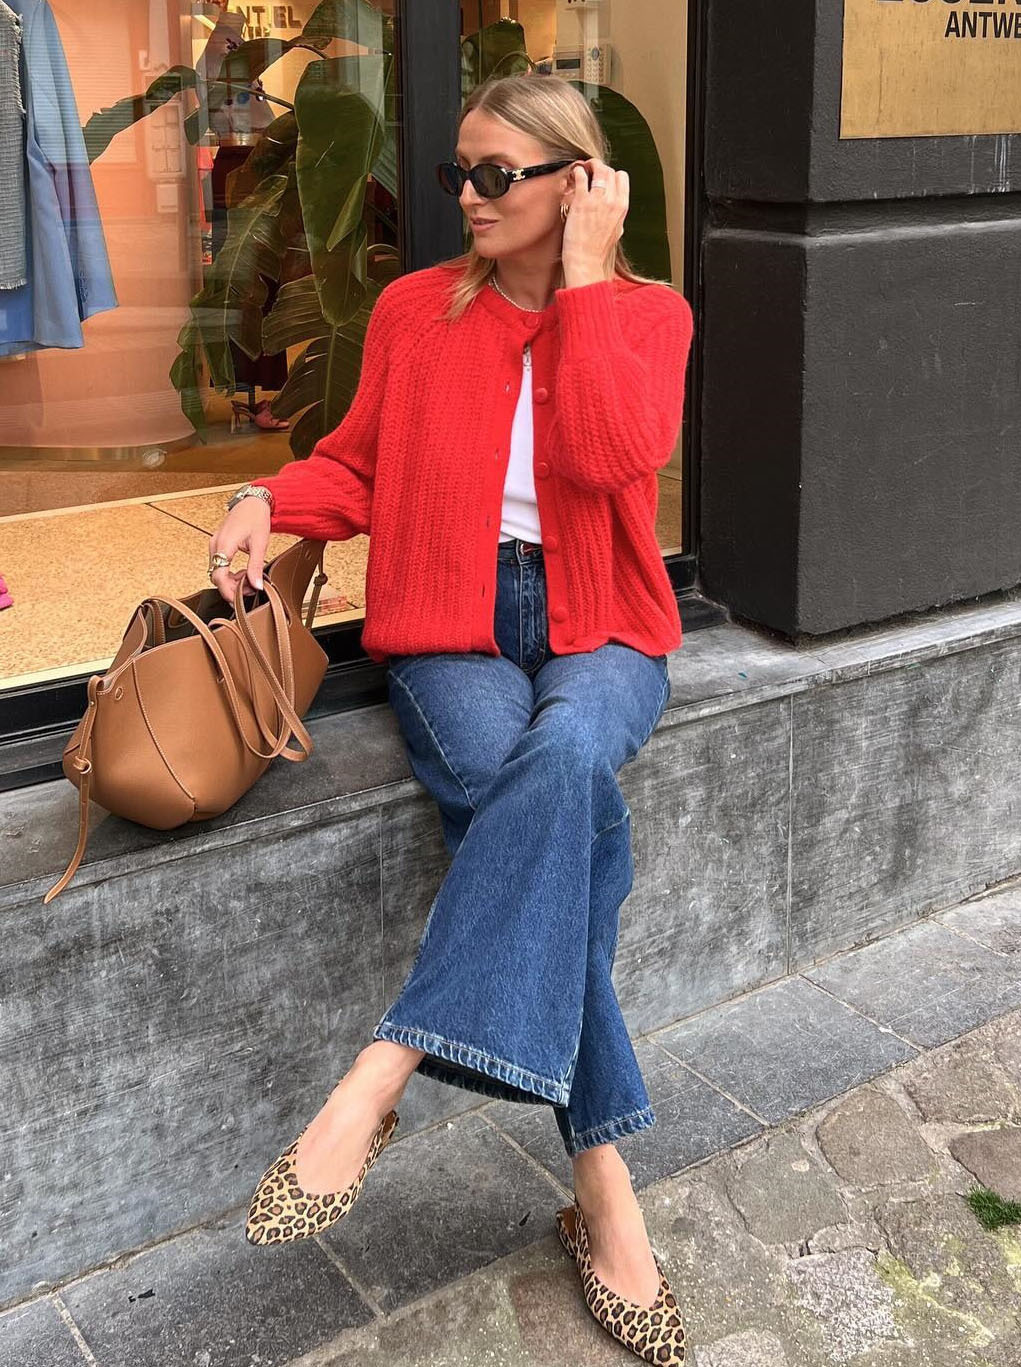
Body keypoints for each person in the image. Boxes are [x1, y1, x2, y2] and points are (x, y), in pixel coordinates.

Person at [207, 72, 693, 1365]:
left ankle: (382, 1070)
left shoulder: (649, 315)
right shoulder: (416, 311)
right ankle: (605, 1193)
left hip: (604, 624)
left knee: (566, 753)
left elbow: (606, 460)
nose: (468, 198)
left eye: (495, 175)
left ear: (579, 185)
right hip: (452, 622)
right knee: (558, 820)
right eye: (458, 174)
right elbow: (360, 463)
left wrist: (583, 285)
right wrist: (271, 497)